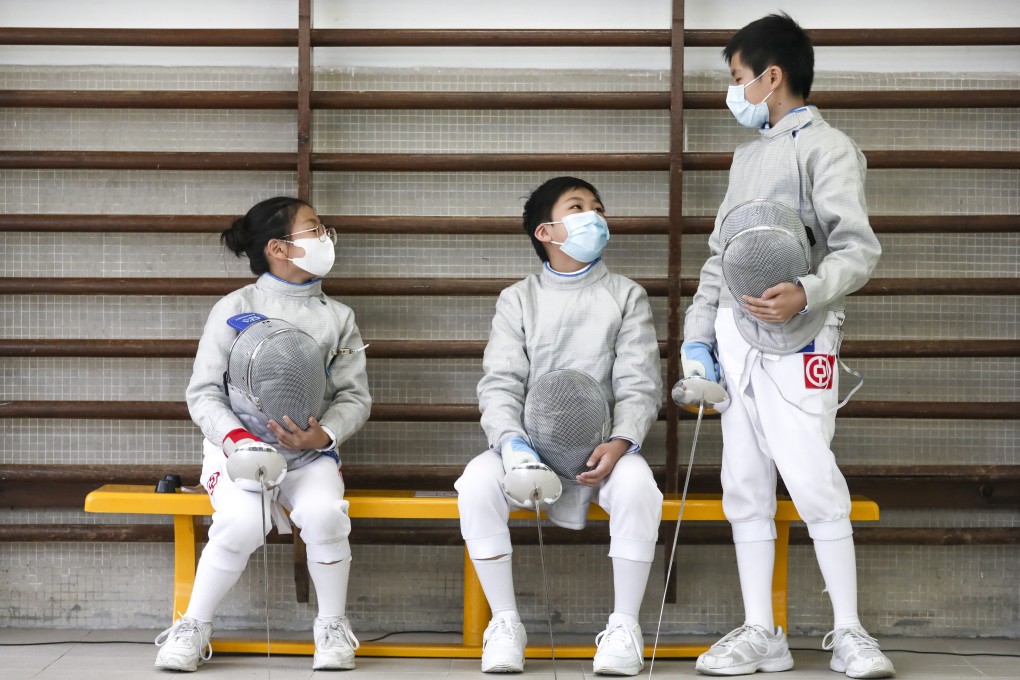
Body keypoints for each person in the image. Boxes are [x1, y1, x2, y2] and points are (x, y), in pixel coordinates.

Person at [681, 13, 894, 679]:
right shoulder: (747, 156)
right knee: (744, 483)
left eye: (738, 77)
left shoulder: (828, 148)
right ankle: (762, 631)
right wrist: (696, 338)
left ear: (771, 77)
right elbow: (719, 255)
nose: (734, 90)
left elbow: (857, 249)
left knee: (810, 475)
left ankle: (850, 631)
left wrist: (805, 290)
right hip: (735, 335)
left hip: (802, 335)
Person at [455, 177, 663, 676]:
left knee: (639, 488)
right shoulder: (518, 299)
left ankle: (624, 628)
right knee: (476, 483)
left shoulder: (626, 295)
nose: (594, 215)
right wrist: (514, 446)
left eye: (598, 207)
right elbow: (500, 382)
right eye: (577, 207)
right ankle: (505, 623)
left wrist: (620, 441)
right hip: (530, 449)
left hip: (604, 450)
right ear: (545, 232)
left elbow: (639, 381)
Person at [154, 197, 372, 672]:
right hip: (238, 451)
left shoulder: (338, 317)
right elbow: (204, 393)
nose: (326, 237)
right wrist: (237, 440)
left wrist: (323, 436)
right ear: (278, 247)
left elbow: (355, 397)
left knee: (325, 515)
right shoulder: (236, 307)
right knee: (241, 523)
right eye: (314, 229)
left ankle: (332, 626)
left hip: (308, 456)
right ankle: (192, 625)